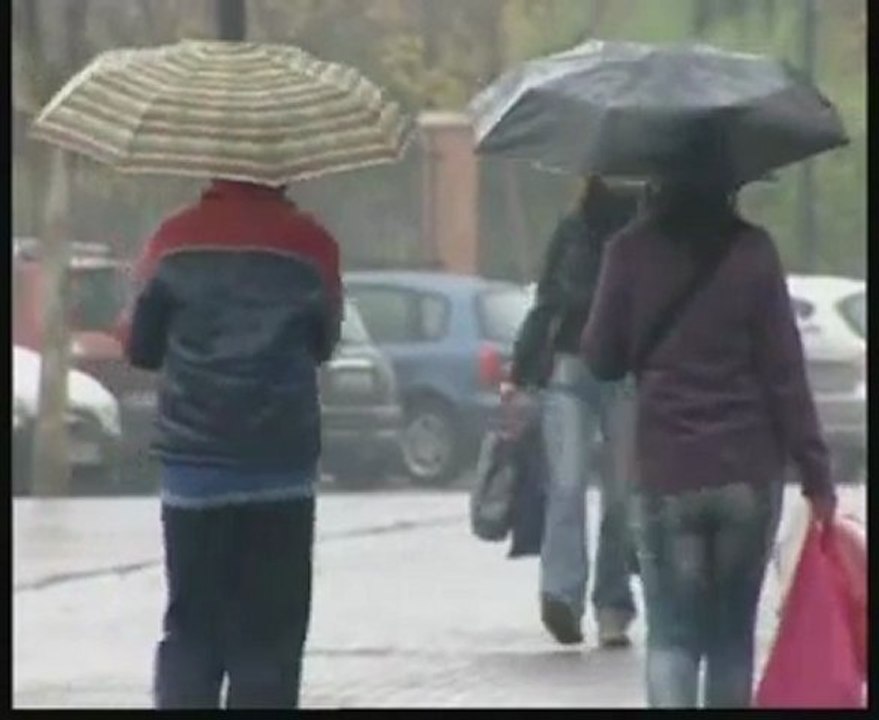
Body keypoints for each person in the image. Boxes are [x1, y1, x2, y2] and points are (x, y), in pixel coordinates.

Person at [580, 169, 837, 707]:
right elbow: (784, 371)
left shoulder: (627, 251)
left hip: (665, 470)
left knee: (672, 636)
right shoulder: (754, 251)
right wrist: (816, 472)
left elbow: (601, 359)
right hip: (746, 471)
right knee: (729, 641)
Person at [118, 179, 341, 709]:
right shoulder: (313, 243)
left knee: (192, 629)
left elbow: (141, 349)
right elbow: (324, 342)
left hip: (195, 472)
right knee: (270, 638)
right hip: (279, 468)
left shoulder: (172, 240)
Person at [505, 176, 640, 648]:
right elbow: (546, 301)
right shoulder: (572, 230)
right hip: (569, 369)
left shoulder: (646, 232)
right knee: (566, 484)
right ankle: (561, 596)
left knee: (622, 498)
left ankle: (613, 605)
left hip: (625, 374)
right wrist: (521, 370)